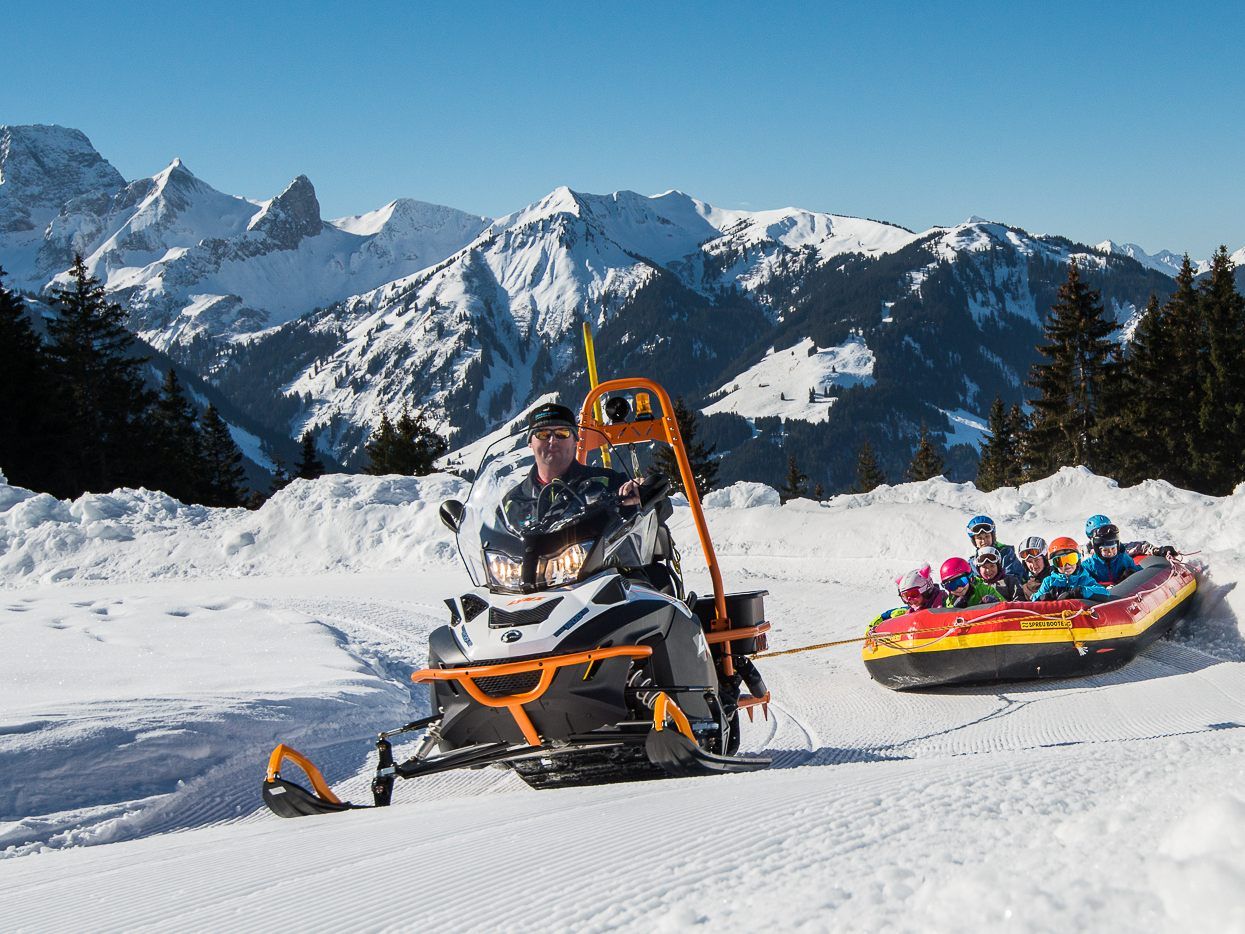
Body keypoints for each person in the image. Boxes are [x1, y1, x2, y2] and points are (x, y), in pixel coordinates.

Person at [502, 402, 641, 532]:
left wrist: (643, 493)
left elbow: (645, 519)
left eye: (562, 433)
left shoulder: (608, 482)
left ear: (575, 440)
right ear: (530, 443)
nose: (552, 440)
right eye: (543, 434)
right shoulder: (512, 503)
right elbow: (493, 544)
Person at [1082, 515, 1178, 585]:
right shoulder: (1086, 557)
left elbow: (1138, 546)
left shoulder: (1119, 550)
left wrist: (1158, 550)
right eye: (1100, 532)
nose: (1106, 536)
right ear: (1091, 537)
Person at [1029, 537, 1112, 602]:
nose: (1067, 565)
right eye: (1060, 561)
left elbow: (1105, 593)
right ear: (1054, 565)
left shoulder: (1084, 579)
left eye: (1071, 559)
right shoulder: (1049, 582)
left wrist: (1079, 592)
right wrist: (1042, 598)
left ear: (1078, 560)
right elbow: (1034, 601)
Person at [867, 564, 946, 631]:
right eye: (905, 596)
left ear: (926, 589)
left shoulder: (945, 603)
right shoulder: (911, 610)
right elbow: (890, 614)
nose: (909, 599)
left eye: (913, 594)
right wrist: (875, 627)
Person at [965, 515, 1025, 579]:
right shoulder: (972, 563)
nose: (984, 541)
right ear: (974, 541)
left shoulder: (1006, 554)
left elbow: (1015, 577)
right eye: (979, 538)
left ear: (993, 537)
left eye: (987, 536)